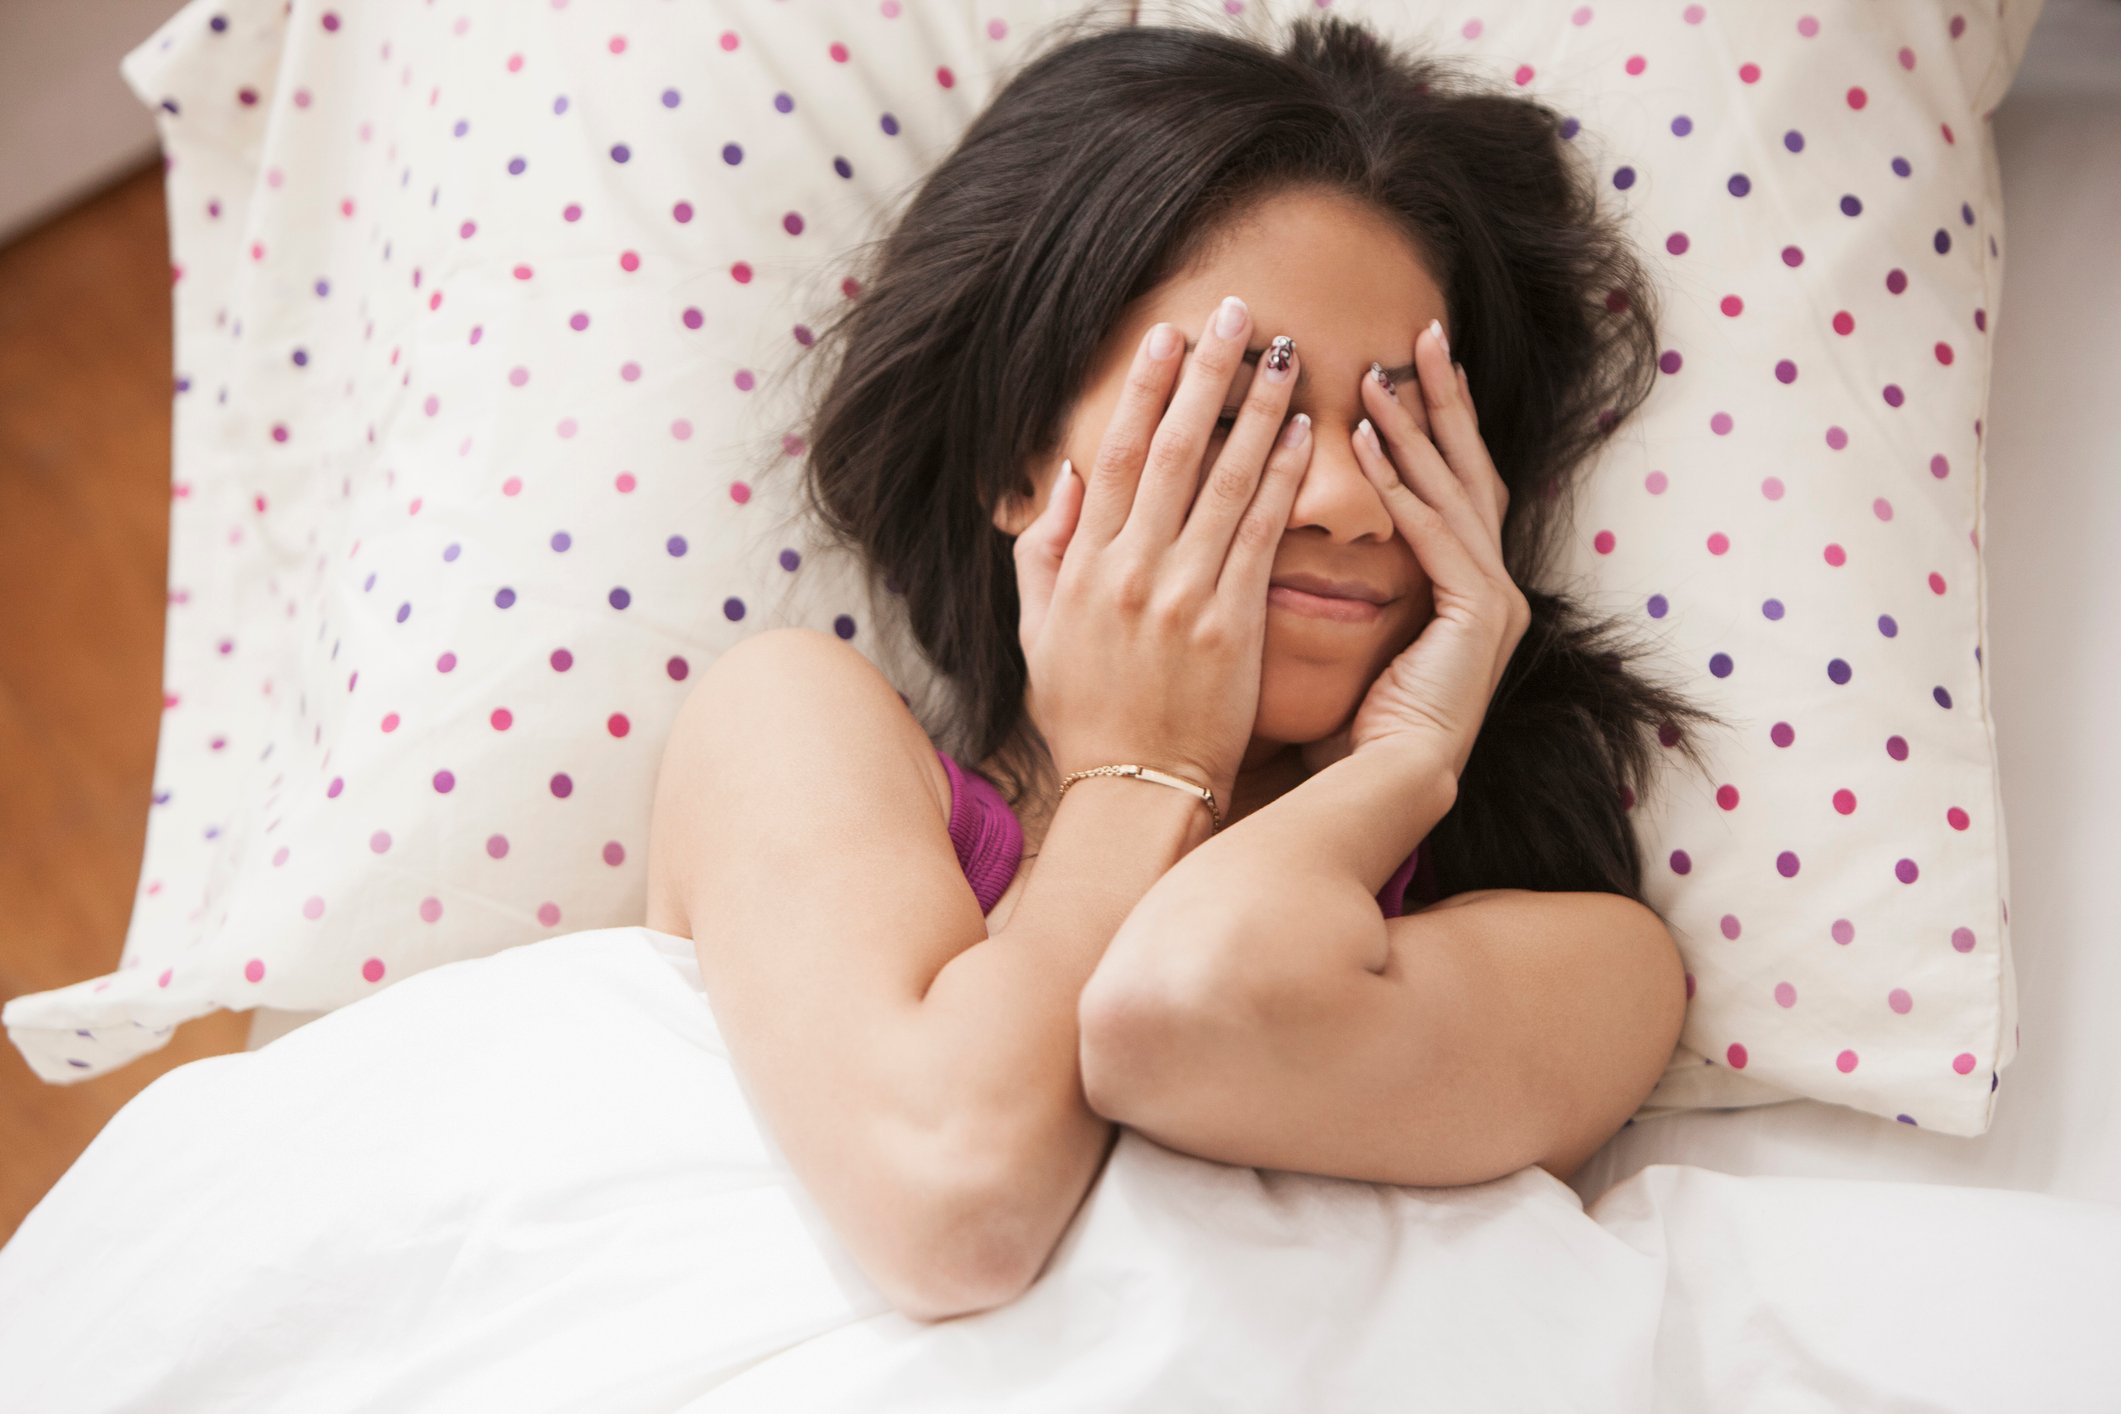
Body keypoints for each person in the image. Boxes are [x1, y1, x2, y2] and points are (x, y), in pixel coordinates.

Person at [643, 7, 1729, 1322]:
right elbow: (954, 1201)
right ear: (1014, 462)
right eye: (1236, 412)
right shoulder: (791, 729)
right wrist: (1140, 769)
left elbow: (1189, 1004)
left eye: (1402, 427)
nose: (1344, 498)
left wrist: (1397, 770)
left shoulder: (1591, 969)